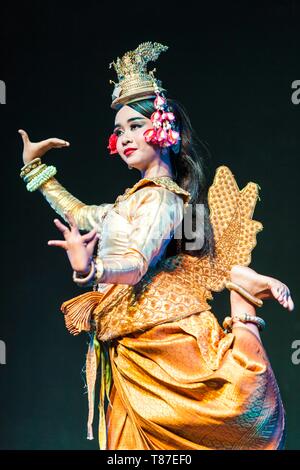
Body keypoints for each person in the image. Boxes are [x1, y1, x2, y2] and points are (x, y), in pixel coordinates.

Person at [19, 42, 294, 450]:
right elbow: (79, 214)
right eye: (119, 130)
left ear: (163, 130)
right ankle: (243, 288)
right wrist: (36, 170)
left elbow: (133, 263)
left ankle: (243, 297)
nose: (125, 137)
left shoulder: (163, 198)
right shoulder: (132, 201)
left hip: (161, 344)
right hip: (128, 344)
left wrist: (92, 271)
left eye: (134, 126)